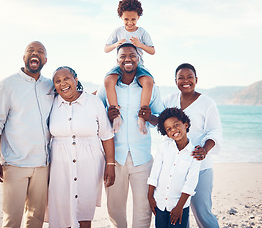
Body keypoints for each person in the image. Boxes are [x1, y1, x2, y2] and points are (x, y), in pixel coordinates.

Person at [0, 41, 54, 228]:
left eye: (40, 51)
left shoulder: (50, 85)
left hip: (42, 165)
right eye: (30, 50)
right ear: (24, 57)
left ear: (45, 60)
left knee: (36, 219)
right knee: (11, 220)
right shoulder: (7, 85)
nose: (35, 53)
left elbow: (72, 96)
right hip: (15, 164)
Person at [97, 43, 164, 228]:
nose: (128, 59)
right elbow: (95, 115)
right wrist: (107, 115)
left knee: (143, 209)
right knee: (114, 208)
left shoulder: (150, 88)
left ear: (138, 59)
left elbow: (163, 118)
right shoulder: (107, 87)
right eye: (123, 56)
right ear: (117, 60)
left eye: (132, 55)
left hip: (142, 158)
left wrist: (150, 117)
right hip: (114, 159)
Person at [47, 66, 115, 228]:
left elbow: (106, 135)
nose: (62, 83)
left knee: (84, 210)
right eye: (57, 81)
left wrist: (110, 164)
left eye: (66, 78)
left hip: (89, 164)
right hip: (59, 165)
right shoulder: (51, 104)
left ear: (75, 80)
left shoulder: (93, 102)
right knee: (60, 210)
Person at [163, 63, 223, 228]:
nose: (185, 81)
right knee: (179, 213)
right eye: (181, 78)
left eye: (190, 77)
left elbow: (215, 131)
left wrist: (205, 150)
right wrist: (147, 116)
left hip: (200, 165)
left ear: (196, 79)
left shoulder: (207, 103)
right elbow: (160, 122)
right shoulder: (169, 100)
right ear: (175, 81)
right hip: (176, 167)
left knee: (203, 213)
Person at [104, 0, 155, 135]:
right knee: (108, 80)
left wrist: (140, 45)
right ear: (121, 17)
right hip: (120, 66)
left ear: (138, 17)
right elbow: (106, 48)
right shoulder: (117, 31)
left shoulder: (142, 32)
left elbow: (152, 51)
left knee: (148, 81)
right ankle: (116, 116)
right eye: (126, 19)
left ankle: (141, 116)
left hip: (138, 66)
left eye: (133, 19)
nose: (130, 22)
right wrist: (116, 44)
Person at [148, 107, 201, 228]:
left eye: (176, 125)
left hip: (179, 206)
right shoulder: (163, 147)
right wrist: (150, 197)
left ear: (185, 125)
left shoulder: (195, 153)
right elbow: (155, 172)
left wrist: (179, 207)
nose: (174, 130)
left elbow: (190, 183)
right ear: (166, 133)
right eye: (169, 129)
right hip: (160, 203)